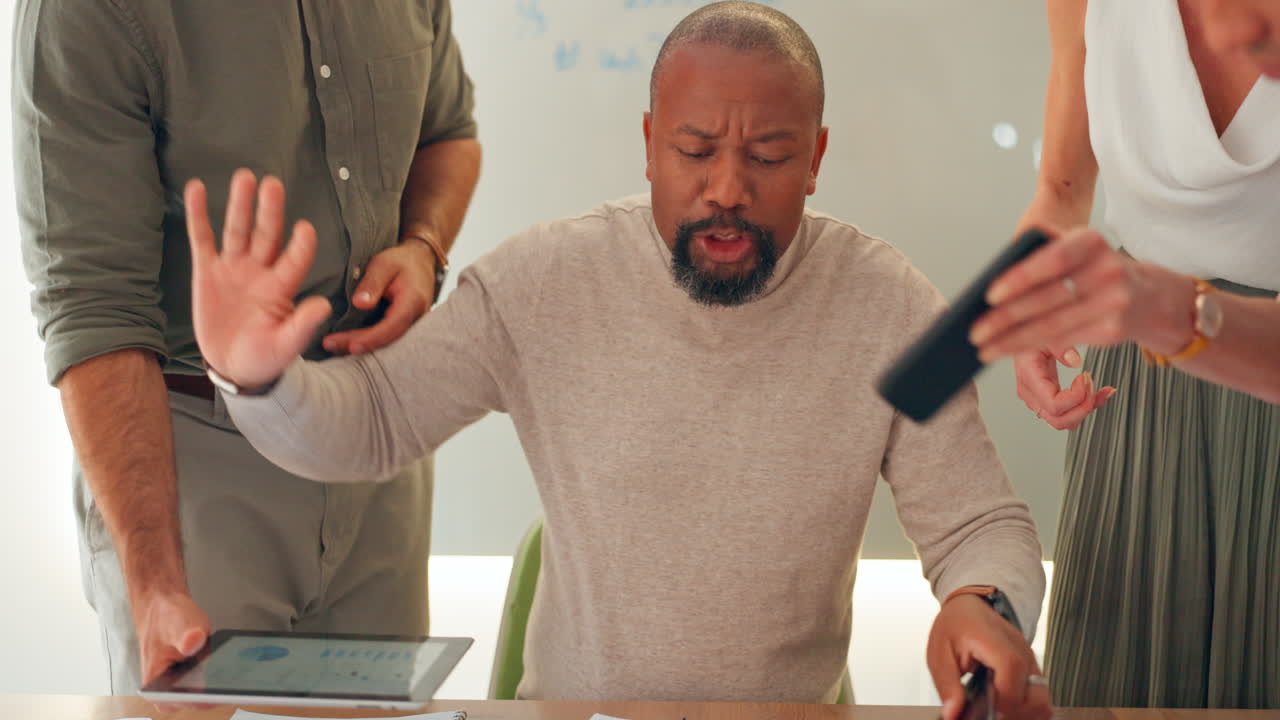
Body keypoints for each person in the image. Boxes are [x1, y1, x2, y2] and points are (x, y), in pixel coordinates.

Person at [184, 3, 1050, 714]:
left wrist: (986, 604)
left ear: (816, 158)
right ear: (647, 143)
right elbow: (366, 427)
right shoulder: (543, 281)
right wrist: (256, 376)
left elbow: (983, 523)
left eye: (770, 157)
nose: (727, 190)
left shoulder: (892, 303)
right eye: (695, 150)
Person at [13, 0, 481, 693]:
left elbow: (449, 134)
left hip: (377, 448)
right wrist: (156, 587)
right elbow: (93, 307)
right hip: (200, 469)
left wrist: (424, 245)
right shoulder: (87, 12)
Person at [971, 0, 1280, 709]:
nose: (1231, 35)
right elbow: (1061, 192)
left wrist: (1170, 310)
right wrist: (1036, 303)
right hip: (1139, 398)